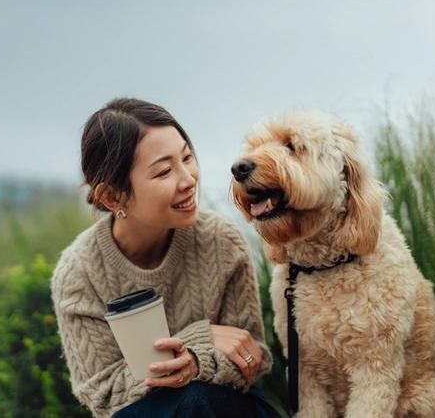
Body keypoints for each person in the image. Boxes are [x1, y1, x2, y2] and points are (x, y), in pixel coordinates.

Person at [51, 98, 283, 418]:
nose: (188, 180)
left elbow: (253, 359)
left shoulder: (221, 241)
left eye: (187, 157)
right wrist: (197, 340)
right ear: (112, 196)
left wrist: (196, 365)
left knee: (194, 401)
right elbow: (104, 395)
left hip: (228, 408)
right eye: (164, 171)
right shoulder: (79, 273)